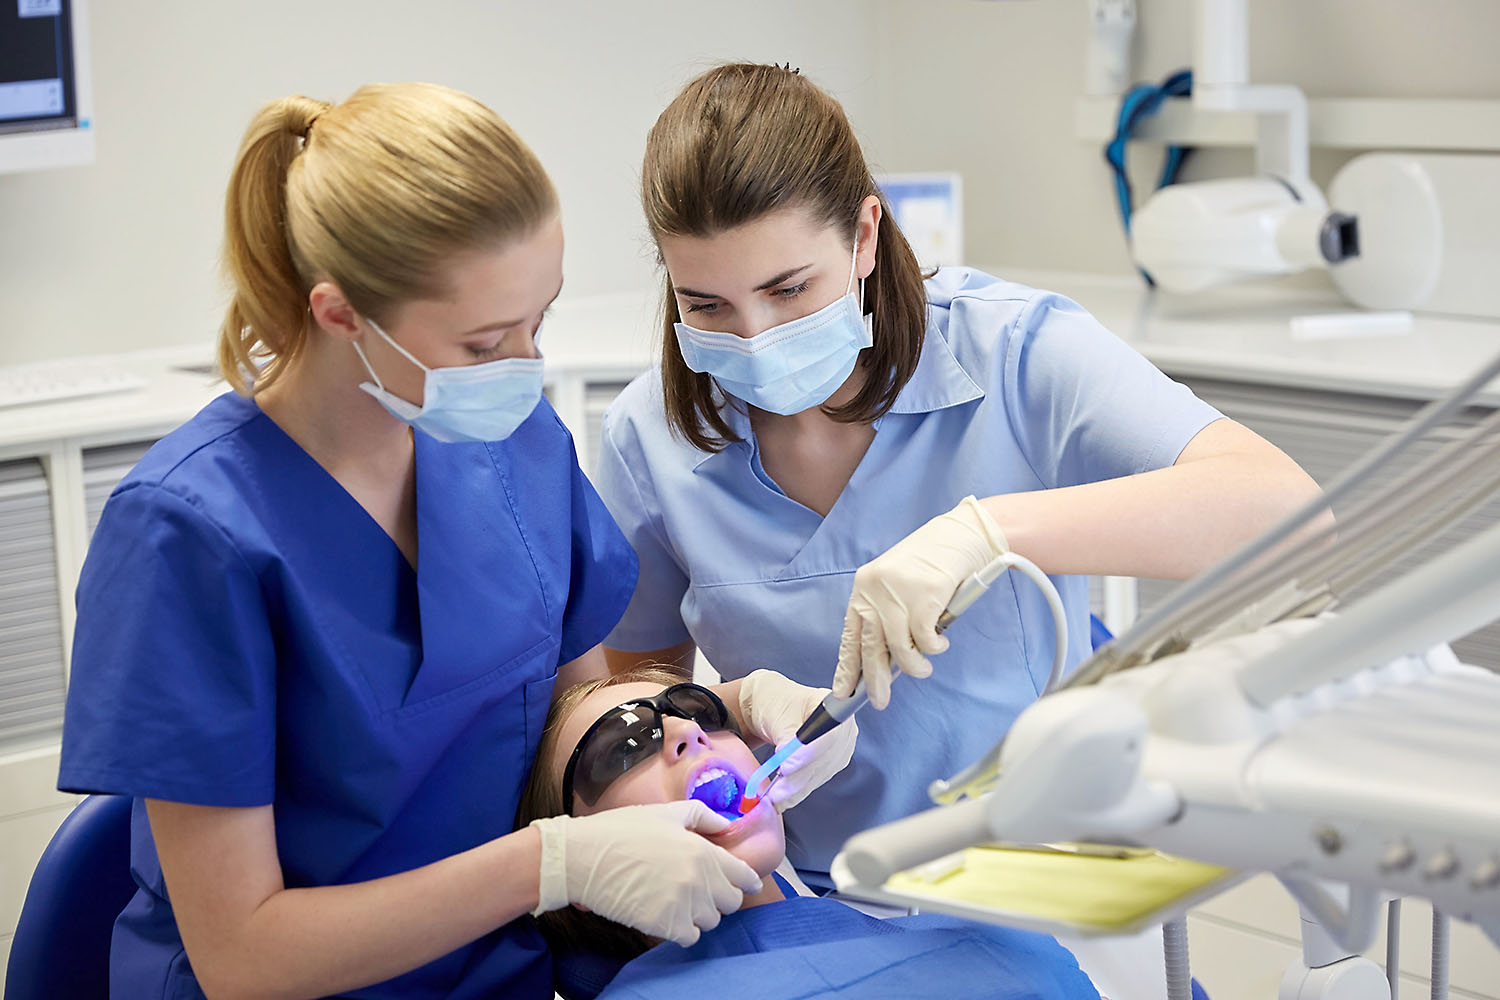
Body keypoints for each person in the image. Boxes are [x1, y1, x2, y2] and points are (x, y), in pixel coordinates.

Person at [56, 81, 848, 1000]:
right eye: (481, 344)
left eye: (537, 320)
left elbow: (578, 730)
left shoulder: (509, 446)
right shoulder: (186, 536)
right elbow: (244, 957)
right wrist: (548, 865)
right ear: (339, 312)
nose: (525, 368)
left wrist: (723, 708)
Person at [597, 63, 1325, 885]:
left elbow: (1286, 513)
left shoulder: (1013, 352)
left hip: (1037, 868)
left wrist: (988, 534)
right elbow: (636, 716)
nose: (755, 338)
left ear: (864, 235)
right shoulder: (648, 439)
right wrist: (726, 727)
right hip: (807, 889)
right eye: (707, 305)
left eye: (790, 289)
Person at [517, 668, 1103, 1000]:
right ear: (578, 862)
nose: (686, 732)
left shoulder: (1001, 941)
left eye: (701, 712)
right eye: (623, 745)